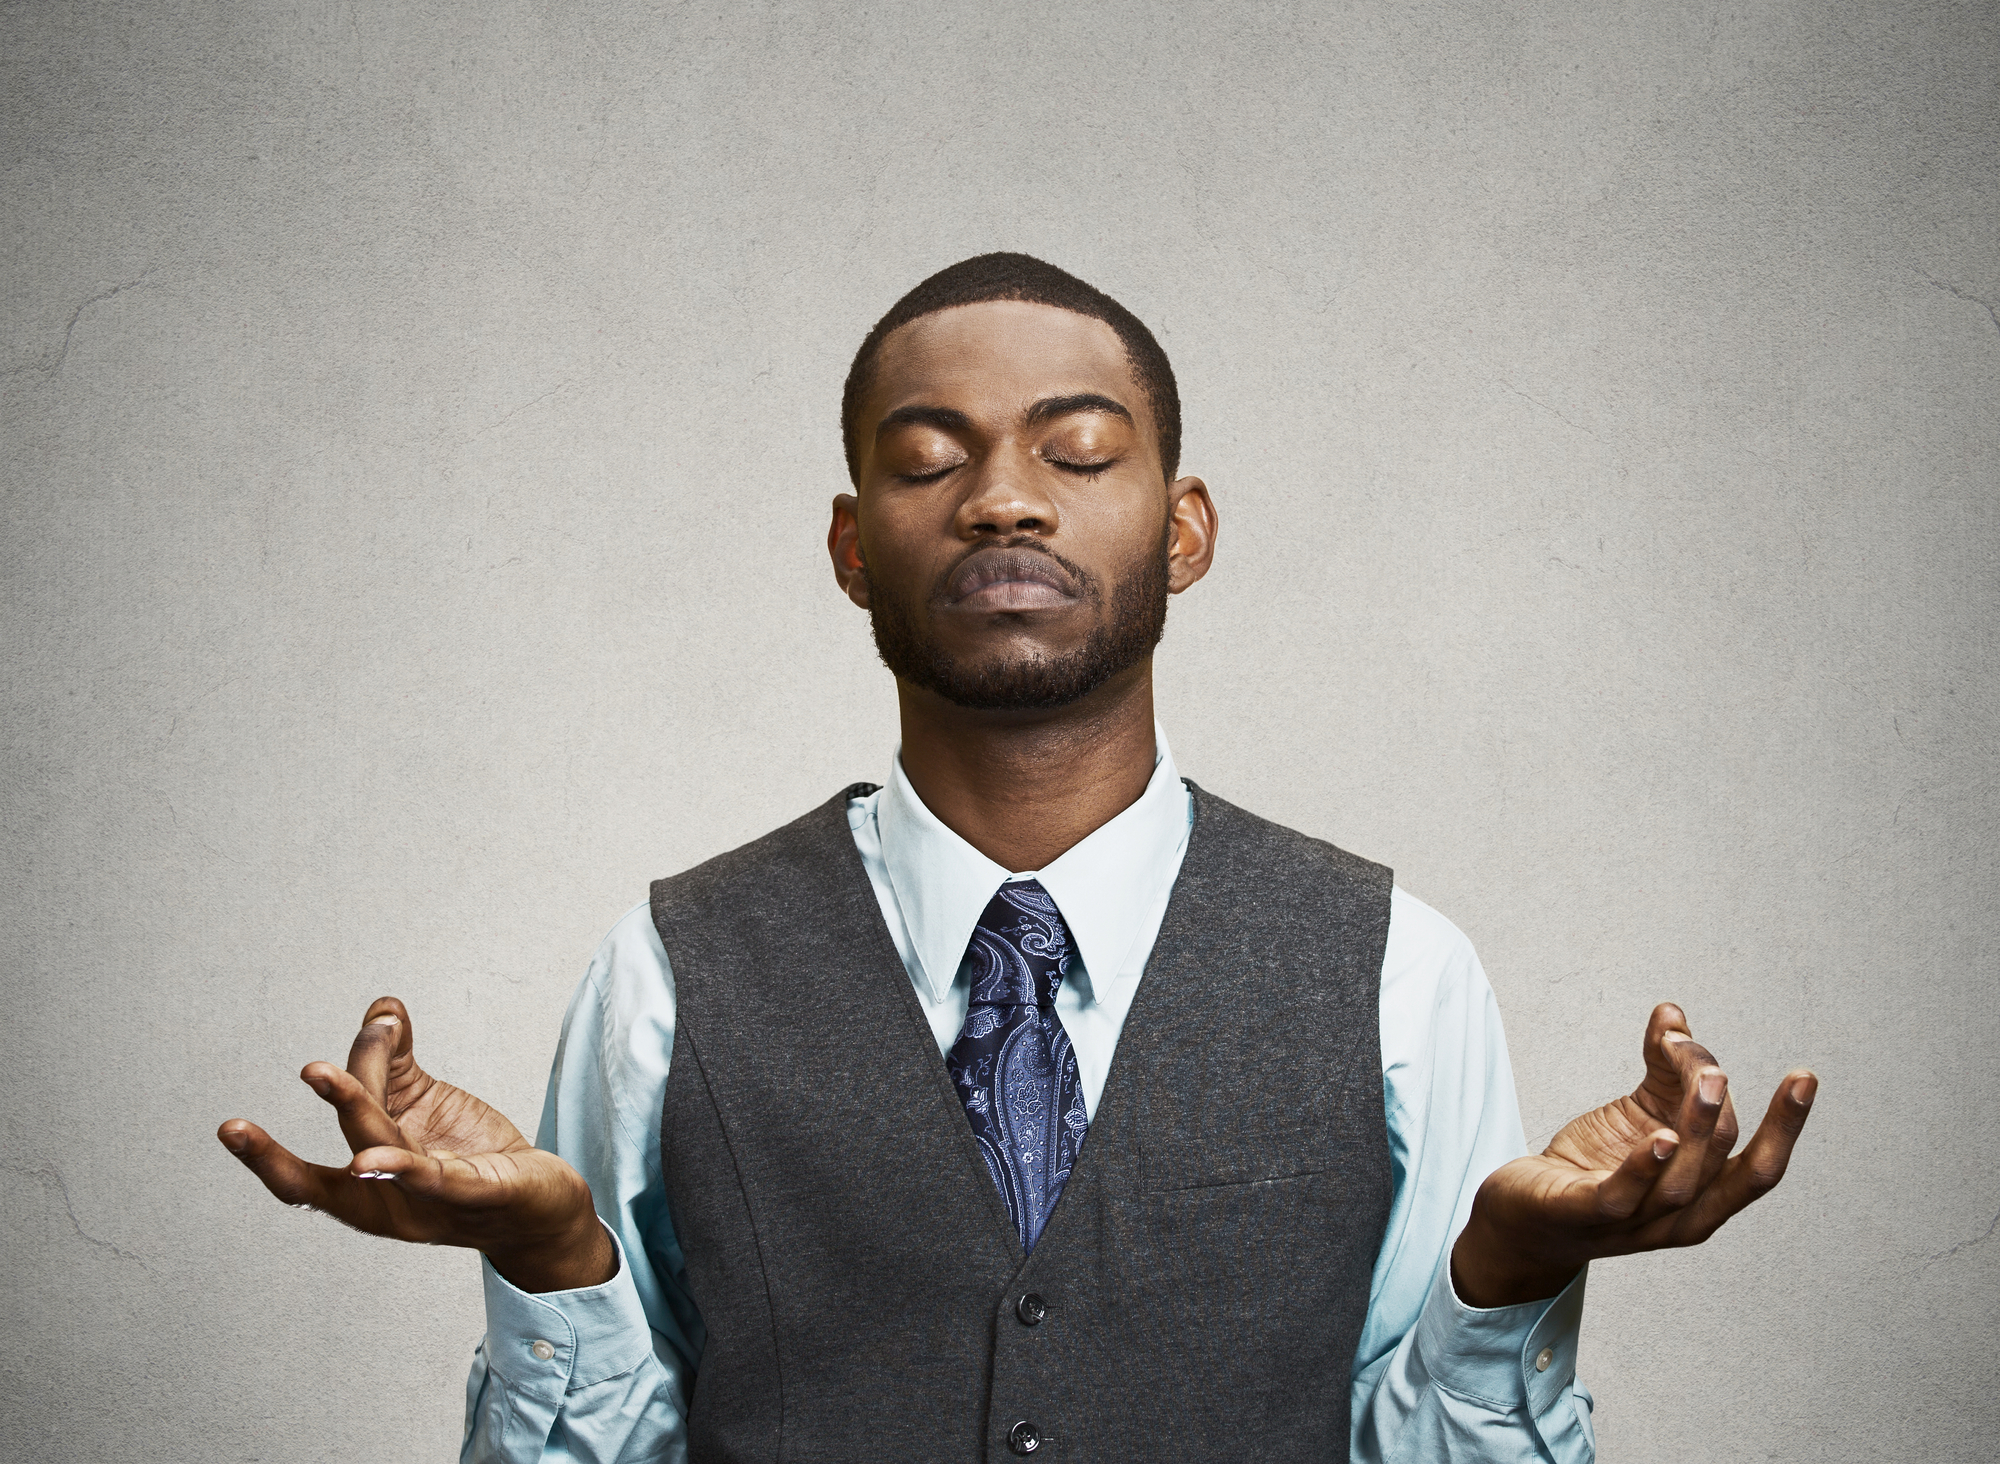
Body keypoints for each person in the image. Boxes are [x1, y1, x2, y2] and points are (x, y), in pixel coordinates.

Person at [217, 253, 1818, 1464]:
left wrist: (1505, 1278)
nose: (1000, 501)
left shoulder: (1401, 969)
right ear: (854, 551)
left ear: (1182, 529)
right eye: (926, 460)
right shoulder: (665, 972)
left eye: (1075, 451)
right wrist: (551, 1262)